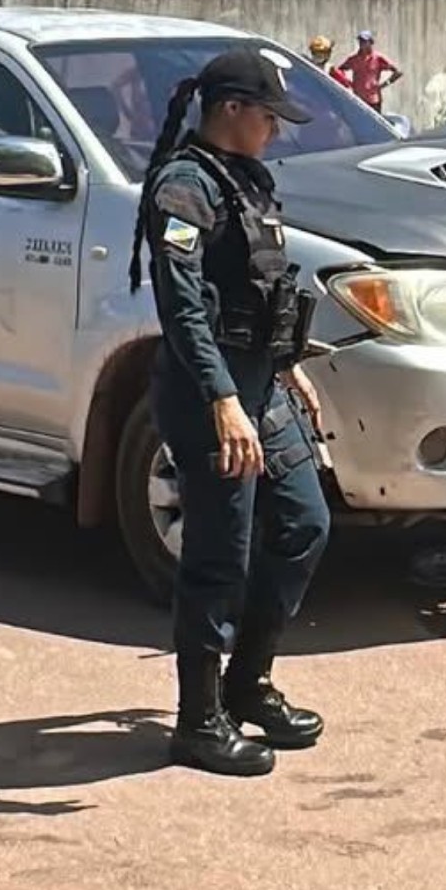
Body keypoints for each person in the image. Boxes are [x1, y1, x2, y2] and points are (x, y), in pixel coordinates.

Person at [128, 48, 333, 777]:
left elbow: (257, 290)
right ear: (233, 111)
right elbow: (181, 308)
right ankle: (198, 721)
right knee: (219, 556)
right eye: (270, 117)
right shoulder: (183, 189)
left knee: (305, 523)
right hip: (204, 396)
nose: (276, 131)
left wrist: (285, 369)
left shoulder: (244, 180)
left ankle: (248, 683)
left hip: (259, 391)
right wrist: (221, 399)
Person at [335, 30, 402, 111]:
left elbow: (398, 72)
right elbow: (338, 71)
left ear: (371, 42)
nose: (361, 43)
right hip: (358, 99)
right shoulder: (353, 59)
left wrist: (384, 84)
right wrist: (347, 82)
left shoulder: (378, 58)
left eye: (364, 41)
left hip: (373, 100)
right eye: (360, 41)